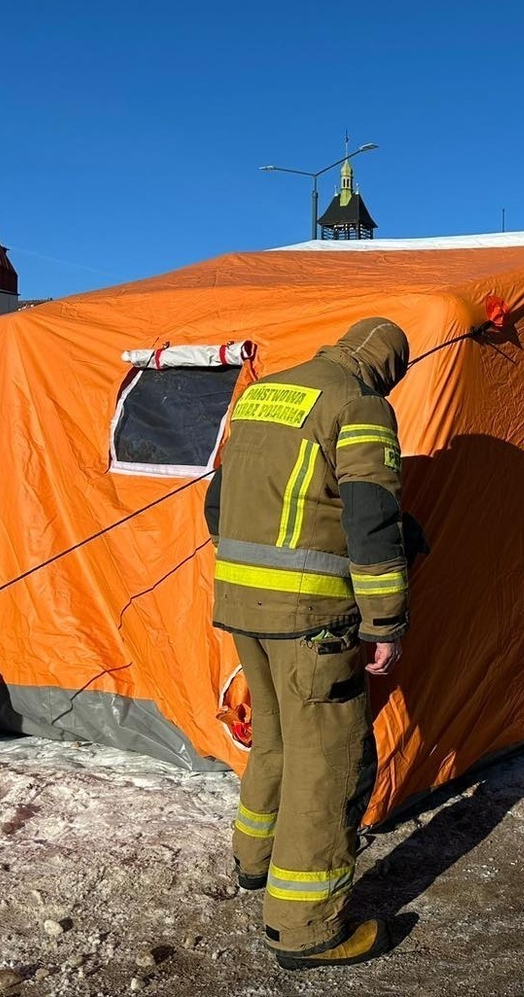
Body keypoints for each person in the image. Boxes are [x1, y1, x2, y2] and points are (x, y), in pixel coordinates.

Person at [206, 317, 410, 969]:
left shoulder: (265, 394)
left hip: (240, 605)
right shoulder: (361, 404)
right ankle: (305, 929)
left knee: (273, 740)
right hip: (312, 618)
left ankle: (253, 862)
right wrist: (385, 622)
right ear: (385, 367)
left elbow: (217, 506)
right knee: (327, 765)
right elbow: (371, 520)